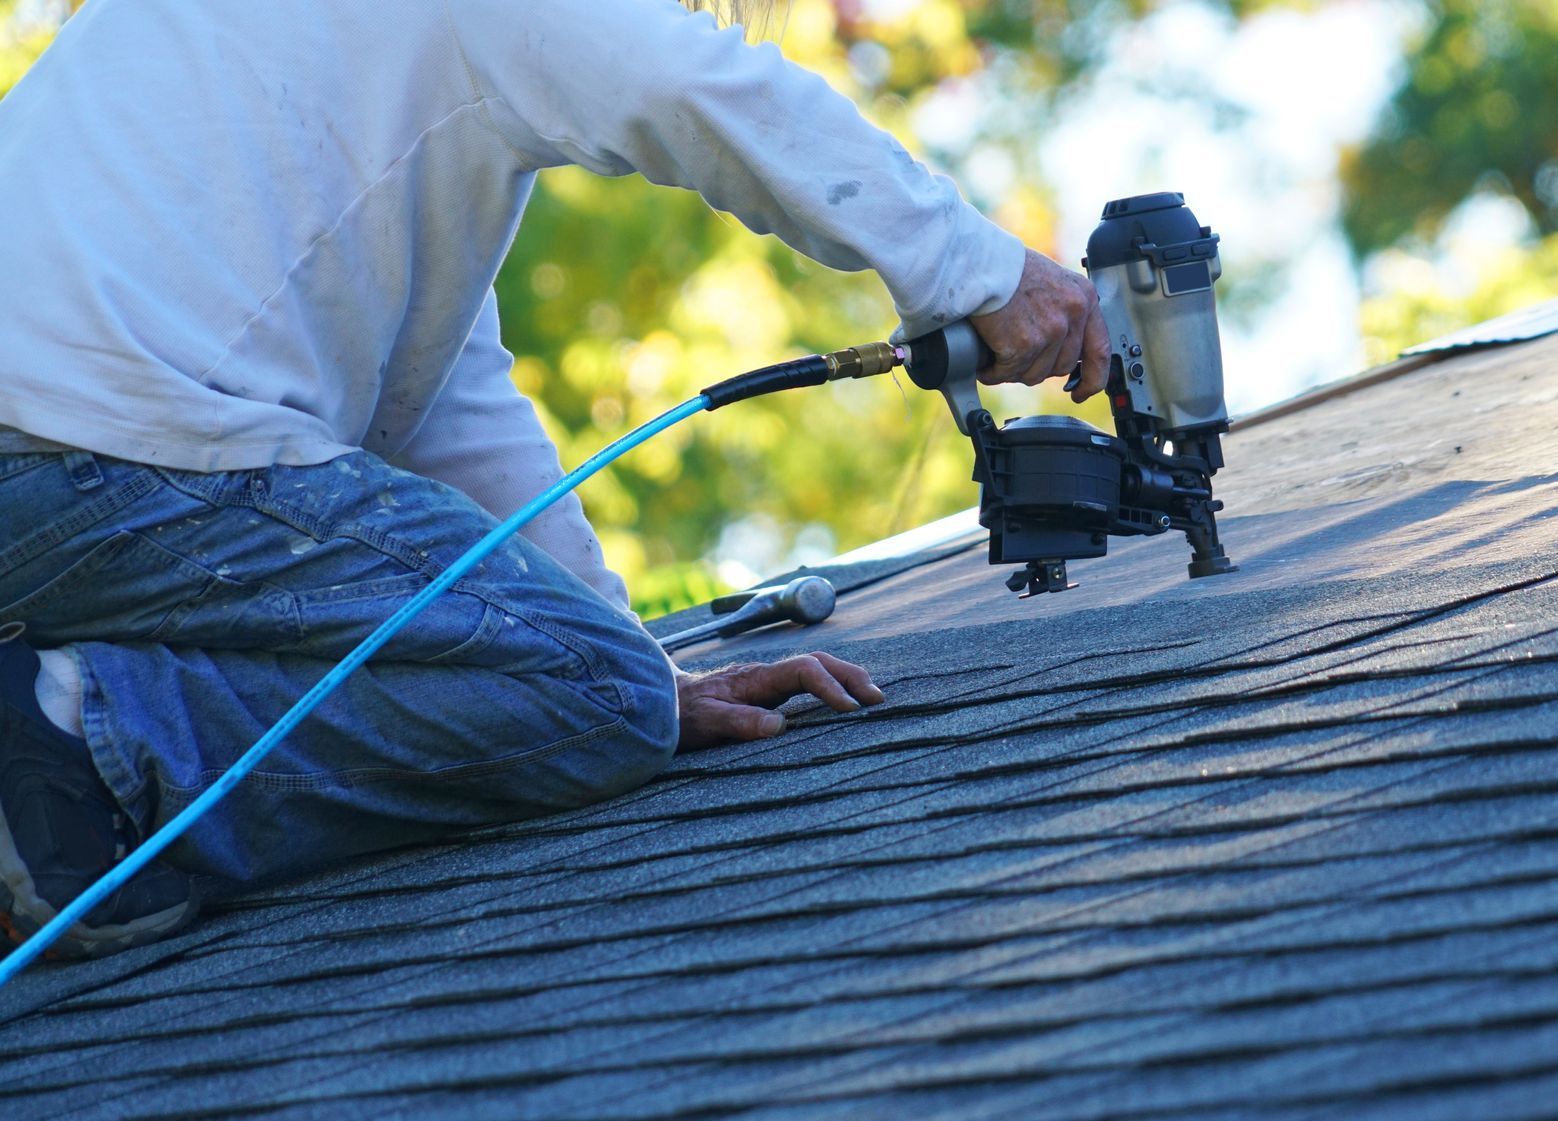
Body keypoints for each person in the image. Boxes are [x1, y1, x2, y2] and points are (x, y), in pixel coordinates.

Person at [0, 0, 1109, 960]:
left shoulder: (360, 97)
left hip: (68, 455)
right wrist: (975, 267)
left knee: (607, 686)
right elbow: (683, 80)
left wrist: (633, 659)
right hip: (102, 444)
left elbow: (447, 403)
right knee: (599, 701)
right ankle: (73, 750)